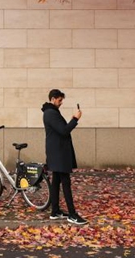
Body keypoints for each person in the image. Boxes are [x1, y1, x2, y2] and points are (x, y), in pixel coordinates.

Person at [42, 88, 87, 225]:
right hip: (58, 153)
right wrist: (75, 119)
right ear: (53, 99)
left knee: (56, 181)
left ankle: (55, 211)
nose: (61, 103)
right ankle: (72, 214)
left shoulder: (51, 112)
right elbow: (64, 130)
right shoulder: (51, 113)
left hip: (57, 152)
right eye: (60, 100)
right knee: (65, 183)